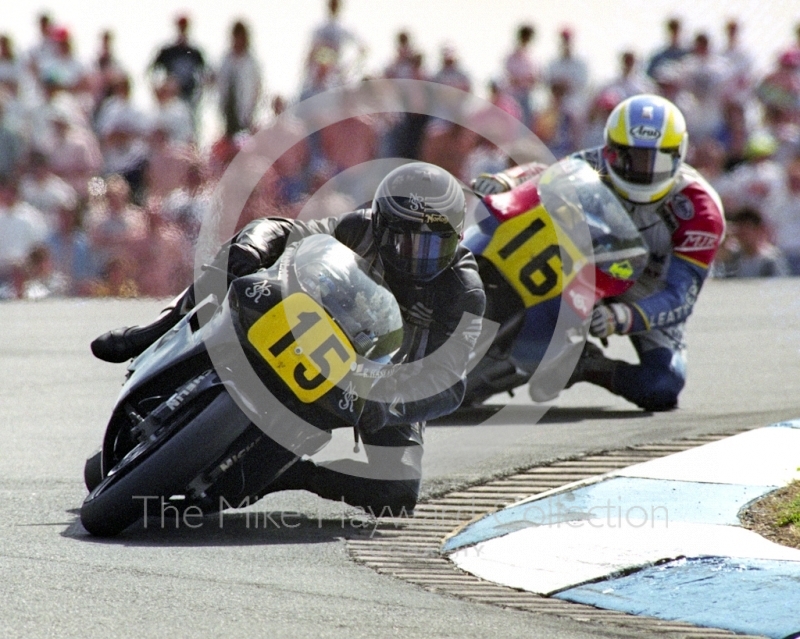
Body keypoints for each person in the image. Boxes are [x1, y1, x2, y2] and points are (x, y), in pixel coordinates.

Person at [90, 162, 486, 514]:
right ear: (381, 224)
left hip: (380, 382)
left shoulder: (464, 292)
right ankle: (153, 332)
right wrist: (255, 245)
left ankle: (288, 473)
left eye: (434, 245)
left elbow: (448, 382)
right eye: (405, 240)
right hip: (312, 320)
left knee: (396, 491)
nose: (416, 258)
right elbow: (289, 230)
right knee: (235, 261)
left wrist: (392, 403)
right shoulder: (359, 227)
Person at [471, 94, 725, 412]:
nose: (639, 171)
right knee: (518, 219)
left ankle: (586, 363)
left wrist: (623, 318)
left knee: (663, 384)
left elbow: (680, 297)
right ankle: (466, 271)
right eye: (627, 157)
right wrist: (505, 180)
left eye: (653, 161)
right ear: (610, 149)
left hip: (648, 290)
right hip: (590, 263)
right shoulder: (596, 162)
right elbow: (544, 174)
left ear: (678, 155)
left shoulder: (701, 210)